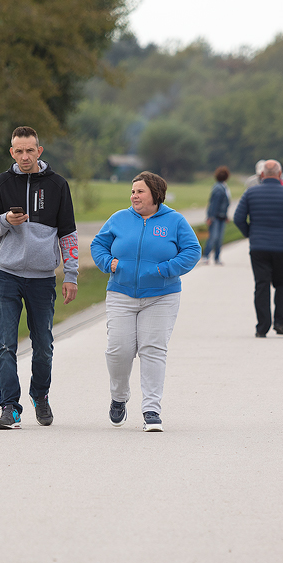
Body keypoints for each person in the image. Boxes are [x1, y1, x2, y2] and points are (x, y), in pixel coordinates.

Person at [0, 125, 79, 430]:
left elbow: (68, 234)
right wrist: (5, 221)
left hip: (41, 278)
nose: (25, 156)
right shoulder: (1, 183)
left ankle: (41, 395)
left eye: (30, 150)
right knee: (5, 345)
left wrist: (71, 275)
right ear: (12, 152)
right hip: (7, 275)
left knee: (43, 345)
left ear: (39, 151)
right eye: (18, 151)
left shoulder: (57, 185)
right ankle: (9, 407)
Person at [90, 171, 200, 432]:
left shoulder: (174, 221)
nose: (134, 196)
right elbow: (98, 245)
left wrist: (164, 270)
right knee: (119, 350)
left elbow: (193, 251)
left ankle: (152, 410)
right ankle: (119, 397)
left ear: (155, 194)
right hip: (121, 293)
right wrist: (109, 263)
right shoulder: (119, 219)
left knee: (153, 349)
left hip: (161, 297)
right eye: (132, 191)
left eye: (140, 191)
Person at [233, 159, 283, 337]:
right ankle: (280, 322)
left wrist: (250, 233)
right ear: (280, 174)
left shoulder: (250, 193)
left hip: (258, 246)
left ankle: (262, 327)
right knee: (282, 283)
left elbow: (238, 217)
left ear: (262, 174)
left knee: (261, 285)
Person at [201, 165, 232, 265]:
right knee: (213, 237)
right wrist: (210, 217)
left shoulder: (223, 187)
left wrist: (225, 215)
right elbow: (214, 204)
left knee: (219, 238)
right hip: (216, 217)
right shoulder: (219, 188)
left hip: (221, 216)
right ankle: (206, 256)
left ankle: (217, 257)